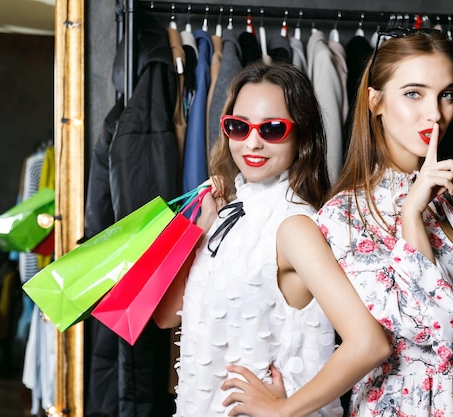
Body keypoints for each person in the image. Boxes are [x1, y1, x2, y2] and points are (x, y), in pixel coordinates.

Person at [311, 29, 453, 416]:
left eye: (446, 94)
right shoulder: (345, 214)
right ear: (374, 102)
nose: (435, 112)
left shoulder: (448, 195)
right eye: (414, 93)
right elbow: (433, 330)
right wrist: (411, 215)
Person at [153, 61, 390, 417]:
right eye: (238, 126)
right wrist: (198, 230)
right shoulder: (227, 211)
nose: (252, 142)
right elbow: (166, 317)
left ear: (302, 135)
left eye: (273, 129)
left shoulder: (293, 225)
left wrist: (283, 410)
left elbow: (370, 344)